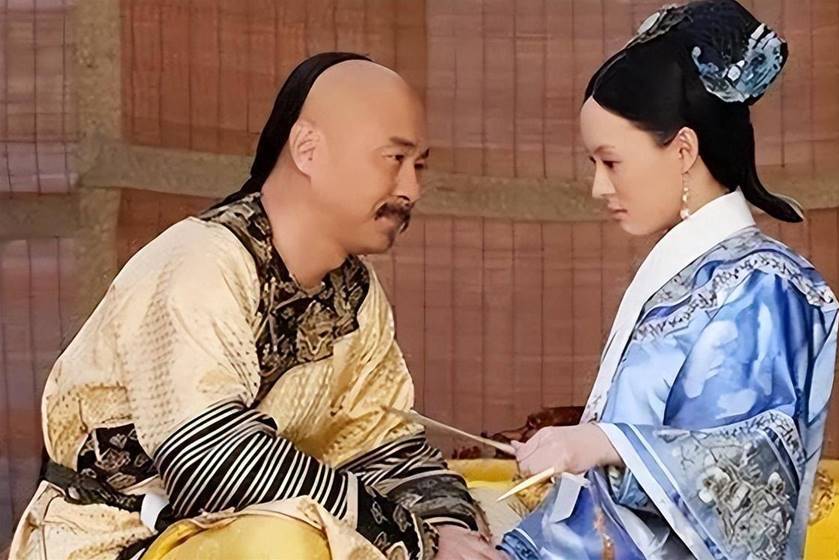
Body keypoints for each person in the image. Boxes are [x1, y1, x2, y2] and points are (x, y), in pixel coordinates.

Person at [11, 53, 503, 560]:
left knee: (492, 514)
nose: (411, 190)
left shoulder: (355, 293)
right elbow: (211, 462)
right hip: (113, 539)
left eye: (419, 165)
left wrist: (450, 528)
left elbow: (382, 446)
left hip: (236, 532)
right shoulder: (201, 262)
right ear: (307, 149)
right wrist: (418, 541)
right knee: (283, 544)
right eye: (394, 159)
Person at [499, 2, 839, 558]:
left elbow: (756, 465)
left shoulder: (765, 287)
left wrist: (606, 441)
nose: (598, 188)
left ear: (683, 150)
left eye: (611, 162)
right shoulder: (681, 277)